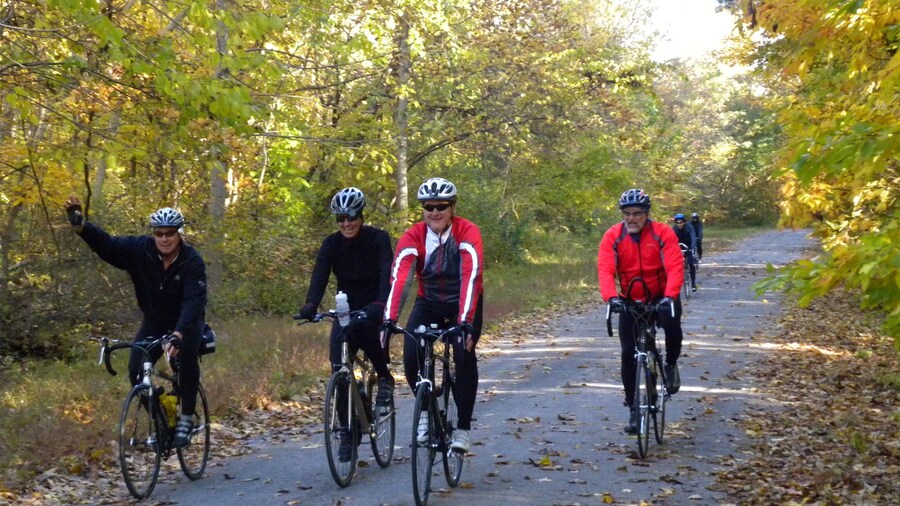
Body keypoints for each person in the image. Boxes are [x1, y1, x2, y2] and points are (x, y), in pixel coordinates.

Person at [65, 197, 207, 448]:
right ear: (153, 233)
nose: (164, 239)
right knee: (135, 370)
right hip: (154, 319)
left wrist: (178, 334)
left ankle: (186, 418)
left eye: (170, 233)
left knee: (185, 360)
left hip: (186, 322)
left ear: (179, 233)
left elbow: (194, 301)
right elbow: (108, 246)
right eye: (159, 233)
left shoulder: (191, 260)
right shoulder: (140, 250)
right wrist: (82, 227)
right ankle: (161, 419)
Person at [383, 177, 484, 453]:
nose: (435, 212)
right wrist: (389, 319)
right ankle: (426, 411)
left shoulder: (467, 231)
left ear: (452, 207)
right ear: (423, 209)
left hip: (464, 303)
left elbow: (470, 276)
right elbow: (400, 277)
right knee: (411, 352)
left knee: (464, 355)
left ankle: (462, 428)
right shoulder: (413, 235)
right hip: (429, 302)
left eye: (442, 206)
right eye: (429, 207)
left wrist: (465, 322)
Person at [295, 187, 395, 462]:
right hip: (345, 307)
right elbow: (319, 276)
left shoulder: (378, 239)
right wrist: (310, 305)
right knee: (339, 368)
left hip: (374, 303)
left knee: (369, 335)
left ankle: (385, 378)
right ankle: (348, 433)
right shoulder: (331, 244)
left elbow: (388, 273)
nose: (346, 223)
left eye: (351, 217)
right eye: (340, 218)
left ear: (361, 215)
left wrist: (380, 303)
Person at [596, 189, 685, 434]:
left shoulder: (662, 233)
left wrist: (670, 294)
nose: (631, 218)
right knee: (627, 352)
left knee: (672, 326)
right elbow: (605, 269)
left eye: (637, 214)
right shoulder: (613, 235)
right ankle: (634, 408)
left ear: (646, 214)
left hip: (660, 294)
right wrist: (611, 297)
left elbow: (675, 264)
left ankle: (671, 363)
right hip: (629, 299)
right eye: (627, 214)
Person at [672, 213, 698, 292]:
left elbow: (693, 237)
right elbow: (670, 239)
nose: (679, 224)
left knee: (691, 263)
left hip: (689, 246)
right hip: (678, 247)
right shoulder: (674, 229)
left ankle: (693, 283)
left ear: (684, 222)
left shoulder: (689, 227)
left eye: (681, 222)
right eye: (678, 223)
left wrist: (692, 247)